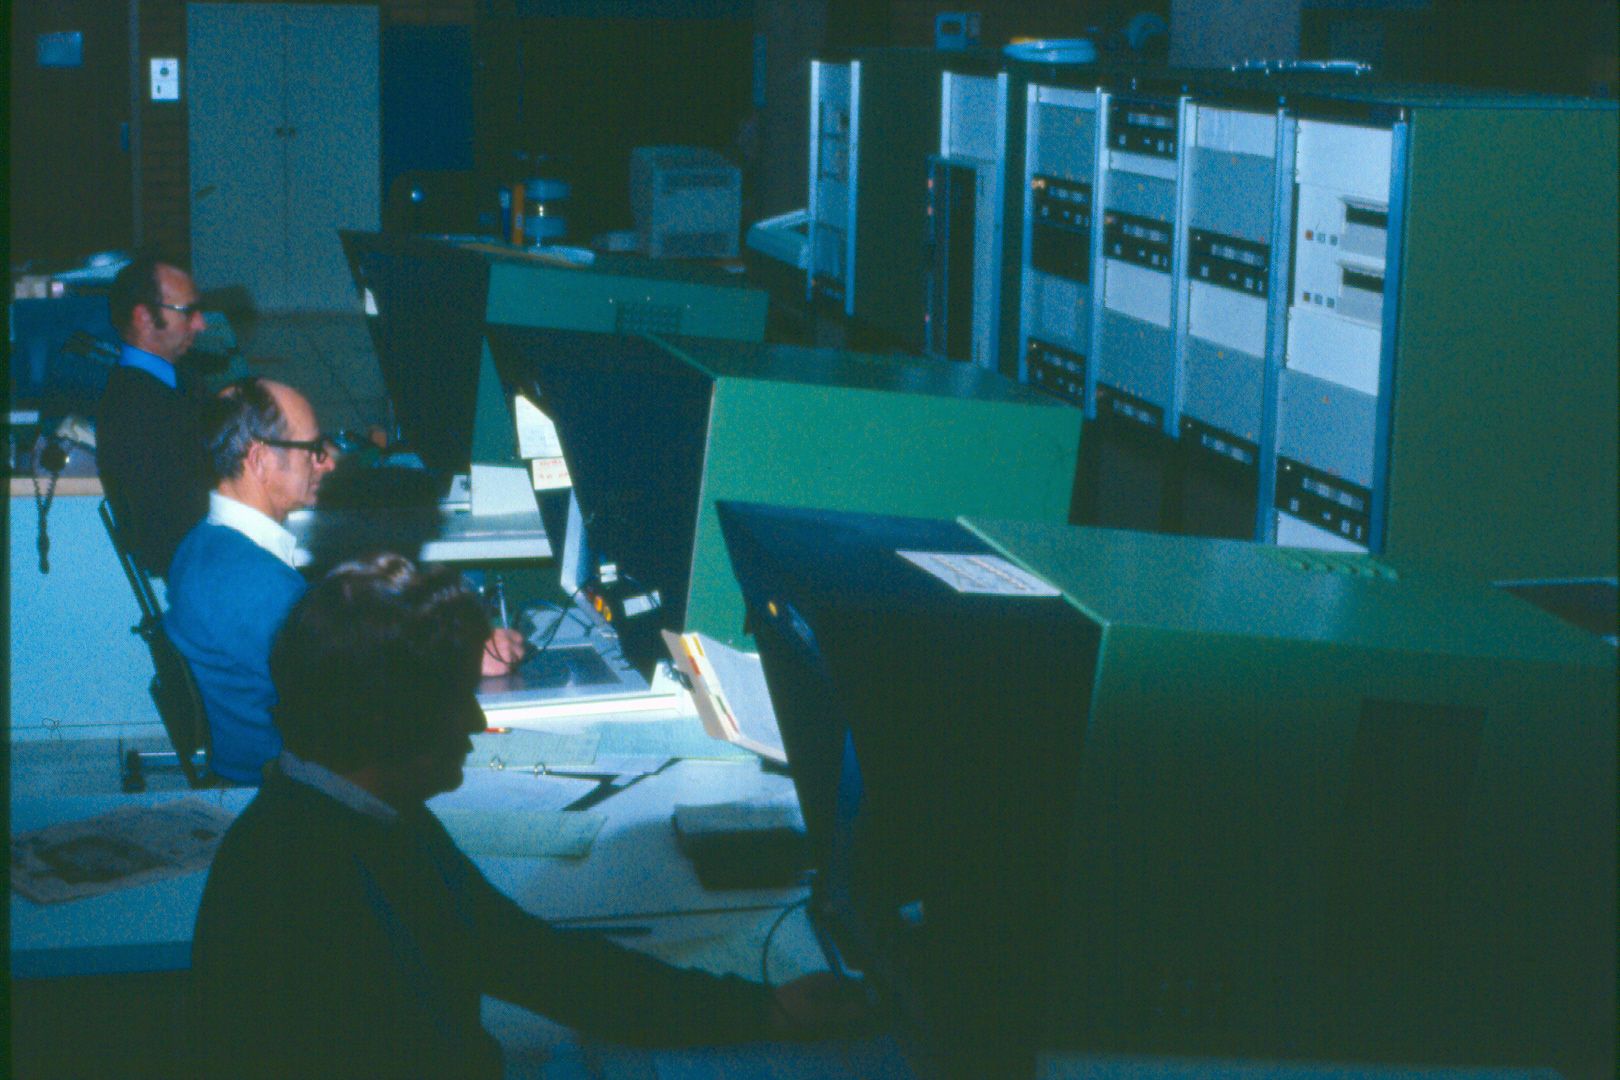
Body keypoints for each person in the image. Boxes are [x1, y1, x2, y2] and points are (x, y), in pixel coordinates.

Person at [188, 553, 867, 1078]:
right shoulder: (312, 885)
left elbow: (532, 960)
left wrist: (763, 1010)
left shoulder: (357, 818)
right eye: (460, 697)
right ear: (396, 721)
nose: (479, 720)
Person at [164, 376, 526, 783]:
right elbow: (361, 690)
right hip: (280, 785)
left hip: (262, 767)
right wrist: (464, 658)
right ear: (260, 460)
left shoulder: (201, 545)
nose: (328, 464)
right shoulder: (251, 580)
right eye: (313, 451)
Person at [97, 254, 213, 577]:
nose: (202, 324)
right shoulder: (136, 407)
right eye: (188, 312)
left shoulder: (175, 382)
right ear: (145, 318)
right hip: (195, 572)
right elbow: (167, 536)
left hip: (204, 558)